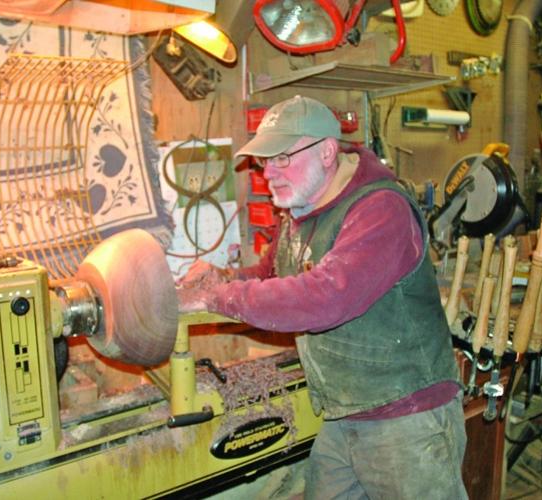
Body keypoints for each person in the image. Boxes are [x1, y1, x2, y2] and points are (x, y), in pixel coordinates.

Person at [178, 95, 467, 499]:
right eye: (264, 160)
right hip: (345, 414)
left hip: (406, 416)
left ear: (327, 151)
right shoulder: (301, 212)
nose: (268, 173)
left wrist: (216, 297)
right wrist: (221, 278)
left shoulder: (381, 209)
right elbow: (270, 277)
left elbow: (326, 297)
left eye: (282, 157)